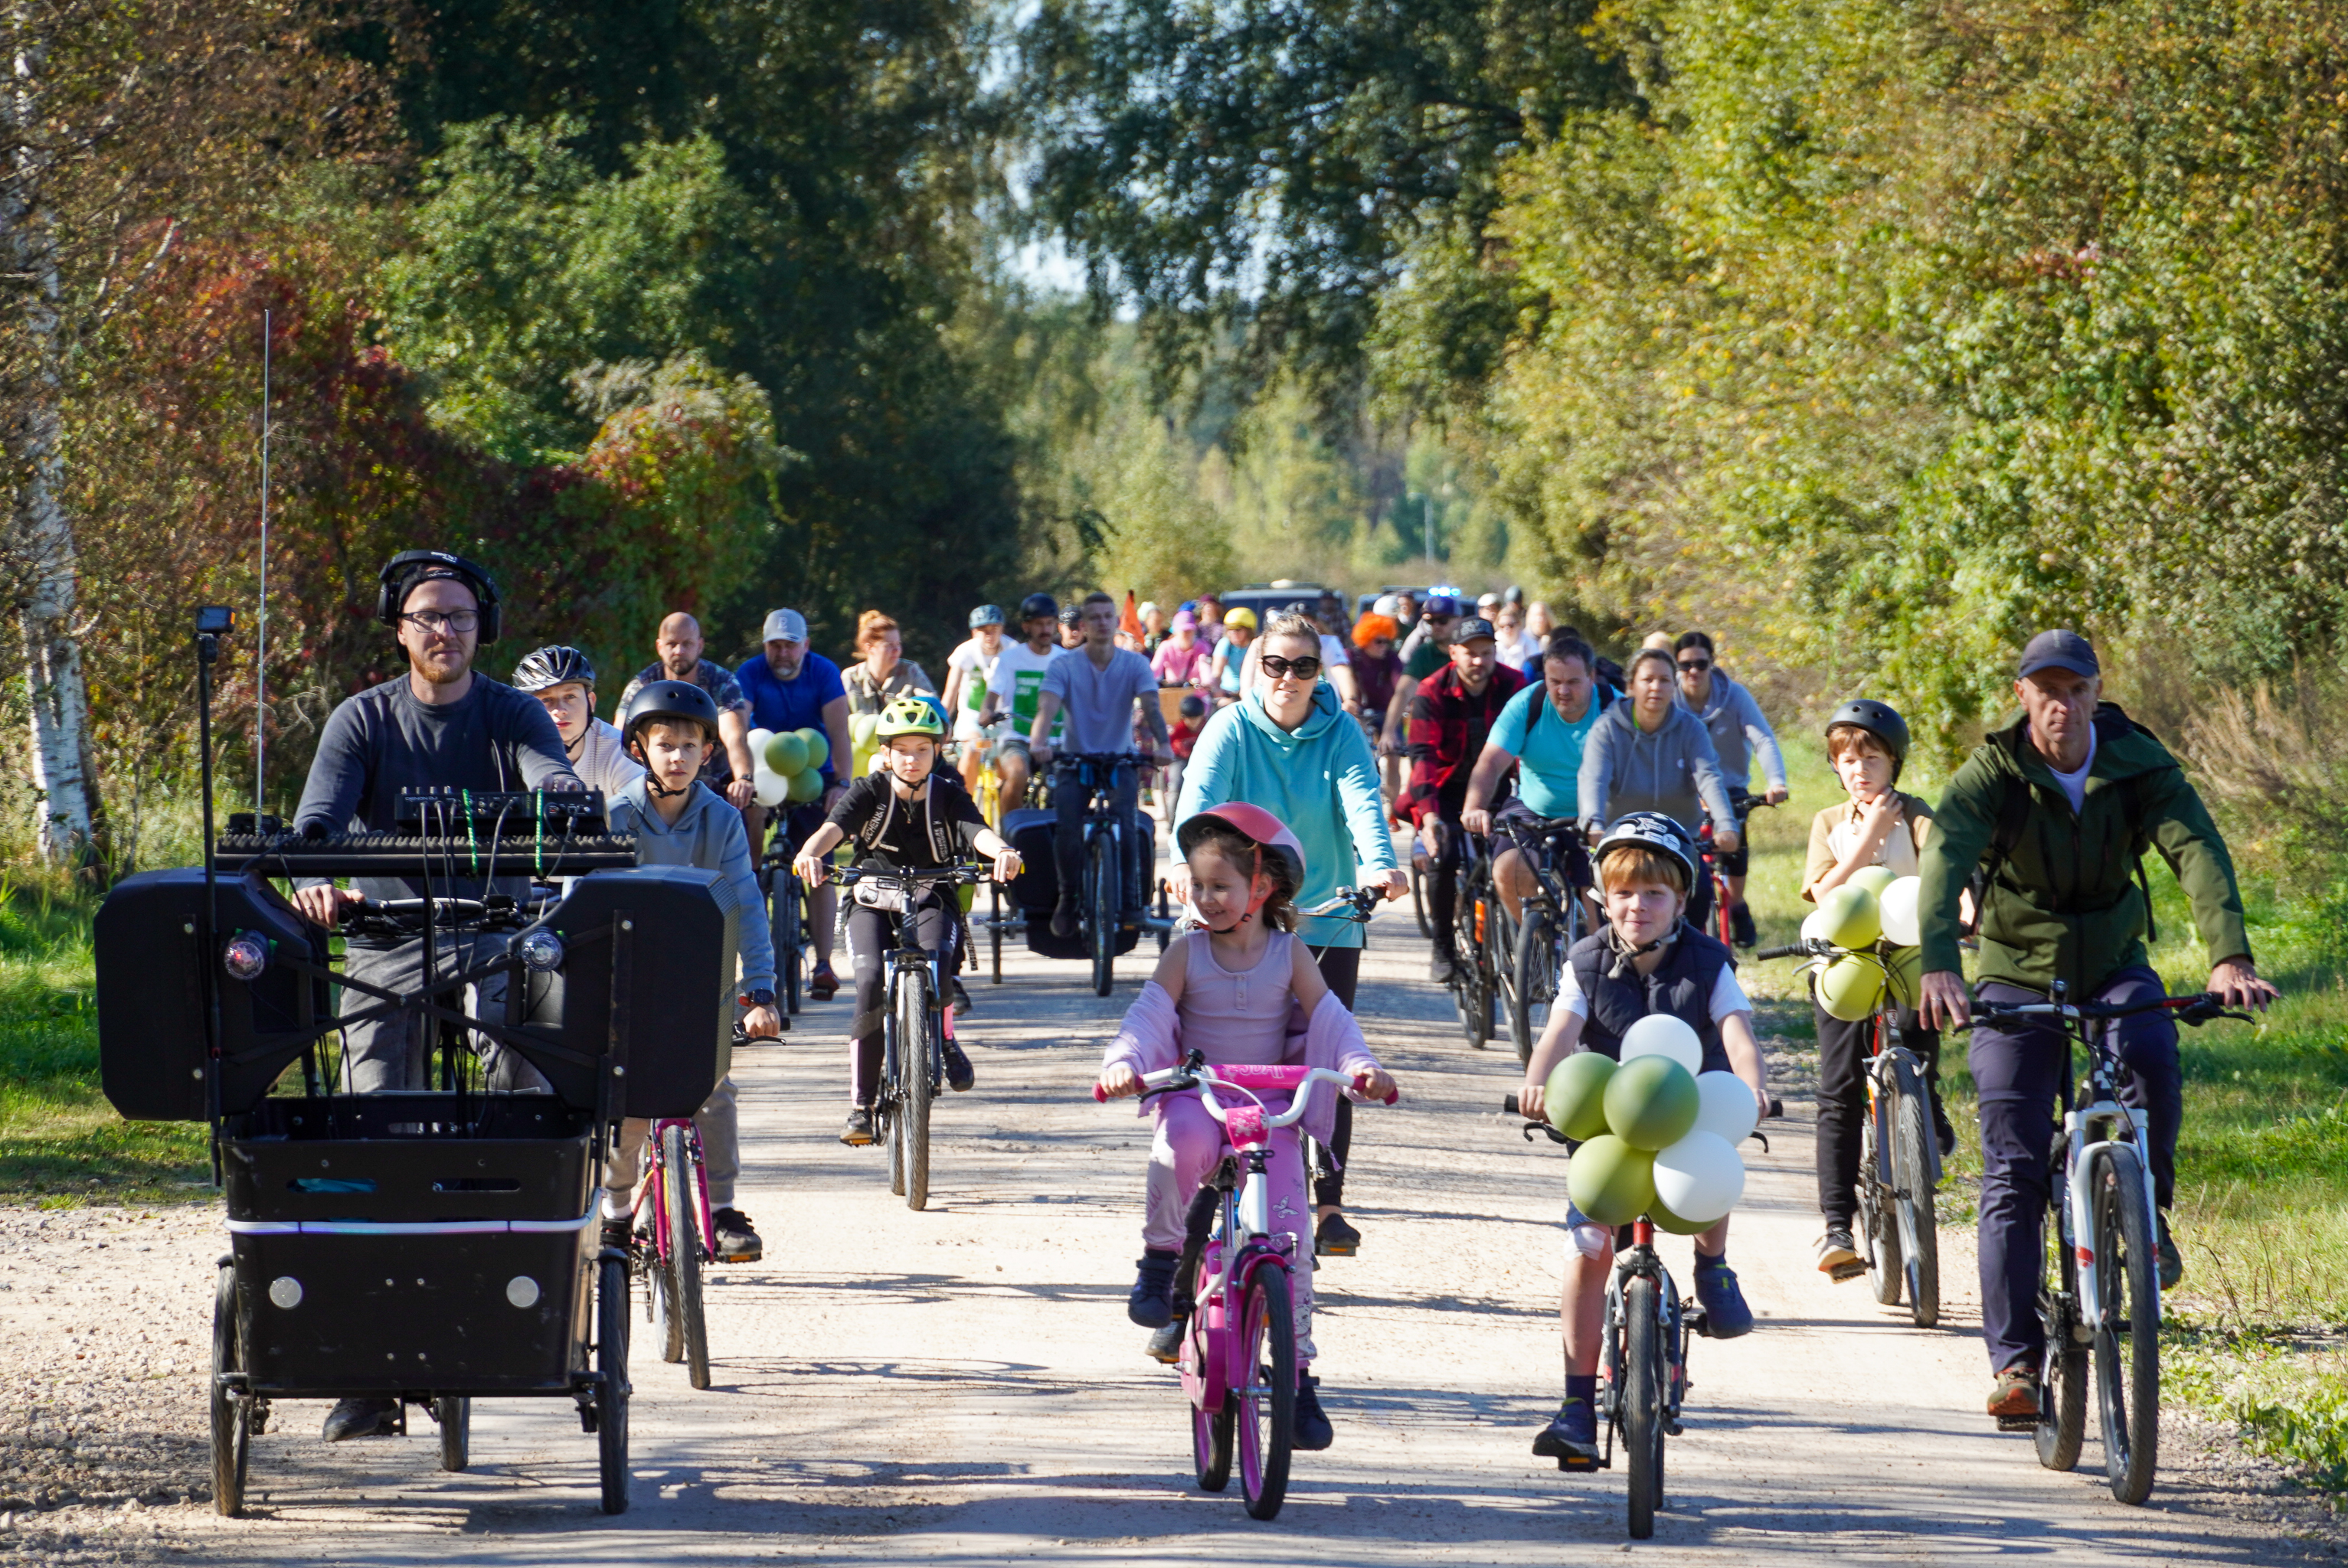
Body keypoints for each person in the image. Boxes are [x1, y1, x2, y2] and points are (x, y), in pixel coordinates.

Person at [1913, 629, 2277, 1422]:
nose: (2060, 703)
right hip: (2015, 968)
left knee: (2151, 1048)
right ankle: (2014, 1363)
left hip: (2113, 956)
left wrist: (2229, 957)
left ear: (2094, 691)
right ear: (2022, 695)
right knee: (2012, 1163)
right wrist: (1940, 961)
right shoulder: (1995, 772)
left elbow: (2198, 851)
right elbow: (1944, 858)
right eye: (2044, 688)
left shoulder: (2138, 763)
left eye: (2074, 688)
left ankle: (2148, 1210)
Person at [289, 550, 583, 1443]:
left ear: (480, 628)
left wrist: (563, 805)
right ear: (401, 628)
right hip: (384, 940)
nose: (443, 631)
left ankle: (510, 1277)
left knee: (536, 1059)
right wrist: (319, 878)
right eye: (427, 616)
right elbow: (317, 826)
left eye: (458, 616)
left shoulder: (512, 712)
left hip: (496, 930)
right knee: (376, 1119)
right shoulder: (361, 719)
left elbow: (556, 787)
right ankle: (374, 1372)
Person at [1098, 805, 1397, 1452]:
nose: (1205, 899)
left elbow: (1332, 1020)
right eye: (1198, 887)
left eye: (1220, 887)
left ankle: (1300, 1378)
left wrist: (1361, 1067)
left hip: (1271, 1112)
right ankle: (1158, 1261)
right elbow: (1148, 1018)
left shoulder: (1292, 955)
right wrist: (1125, 1062)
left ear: (1261, 890)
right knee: (1178, 1146)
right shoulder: (1187, 952)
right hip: (1200, 1094)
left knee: (1291, 1238)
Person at [1518, 814, 1770, 1464]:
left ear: (1682, 900)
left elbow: (1739, 1035)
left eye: (1655, 893)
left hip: (1689, 1110)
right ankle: (1576, 1403)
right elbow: (1559, 1034)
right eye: (1624, 892)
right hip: (1609, 1122)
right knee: (1588, 1245)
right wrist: (1537, 1082)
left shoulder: (1709, 962)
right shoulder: (1586, 962)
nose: (1638, 906)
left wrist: (1754, 1086)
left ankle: (1713, 1269)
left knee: (1711, 1160)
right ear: (1602, 896)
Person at [1174, 611, 1407, 1255]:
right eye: (1276, 664)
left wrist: (1380, 865)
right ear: (1258, 667)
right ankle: (1208, 1200)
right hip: (1238, 911)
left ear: (1318, 673)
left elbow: (1362, 801)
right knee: (1227, 1057)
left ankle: (1328, 1203)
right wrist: (1181, 868)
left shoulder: (1340, 733)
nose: (1289, 678)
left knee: (1330, 1054)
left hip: (1326, 913)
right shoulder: (1229, 728)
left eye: (1304, 666)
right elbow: (1196, 801)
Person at [600, 680, 782, 1266]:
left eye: (689, 746)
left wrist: (759, 990)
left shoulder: (723, 821)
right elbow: (590, 903)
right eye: (664, 744)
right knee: (624, 1104)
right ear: (639, 749)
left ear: (709, 753)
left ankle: (724, 1206)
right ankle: (617, 1214)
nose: (676, 757)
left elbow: (747, 904)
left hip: (697, 972)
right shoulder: (615, 816)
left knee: (713, 1090)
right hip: (625, 975)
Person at [793, 697, 1025, 1144]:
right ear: (885, 752)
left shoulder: (950, 793)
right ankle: (861, 1106)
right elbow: (833, 829)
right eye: (902, 749)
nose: (912, 759)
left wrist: (1004, 853)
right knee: (868, 981)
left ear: (937, 752)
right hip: (872, 895)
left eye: (922, 749)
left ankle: (946, 1037)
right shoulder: (868, 791)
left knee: (938, 961)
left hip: (933, 891)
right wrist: (809, 854)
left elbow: (978, 833)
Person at [1800, 699, 1954, 1280]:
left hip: (1909, 956)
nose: (1859, 768)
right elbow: (1821, 893)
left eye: (1871, 757)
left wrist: (1967, 910)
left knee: (1922, 1038)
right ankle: (1838, 1226)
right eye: (1847, 759)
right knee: (1839, 1086)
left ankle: (1924, 1100)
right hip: (1844, 961)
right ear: (1836, 768)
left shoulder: (1917, 815)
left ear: (1894, 761)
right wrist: (1868, 840)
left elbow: (1943, 868)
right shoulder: (1828, 823)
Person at [1030, 591, 1172, 937]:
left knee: (1127, 822)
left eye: (1109, 616)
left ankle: (1129, 901)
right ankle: (1067, 898)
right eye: (1095, 618)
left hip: (1119, 759)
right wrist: (1038, 742)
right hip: (1074, 759)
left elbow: (1151, 707)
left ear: (1116, 621)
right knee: (1067, 826)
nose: (1103, 623)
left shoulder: (1135, 664)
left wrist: (1164, 744)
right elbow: (1047, 708)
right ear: (1083, 626)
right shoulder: (1063, 664)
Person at [1400, 615, 1528, 983]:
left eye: (1486, 653)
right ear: (1453, 652)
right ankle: (1442, 945)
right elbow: (1421, 757)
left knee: (1518, 855)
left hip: (1499, 791)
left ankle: (1523, 938)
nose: (1479, 662)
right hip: (1444, 791)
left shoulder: (1514, 684)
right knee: (1443, 855)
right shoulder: (1431, 691)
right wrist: (1428, 819)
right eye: (1470, 654)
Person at [1578, 646, 1739, 936]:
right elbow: (1594, 779)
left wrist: (1725, 824)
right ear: (1631, 686)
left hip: (1679, 839)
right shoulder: (1607, 729)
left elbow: (1708, 776)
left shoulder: (1691, 729)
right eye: (1648, 679)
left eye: (1665, 680)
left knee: (1700, 893)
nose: (1656, 687)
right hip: (1623, 840)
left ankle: (1688, 964)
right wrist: (1594, 822)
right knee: (1613, 906)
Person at [736, 608, 854, 999]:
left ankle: (823, 963)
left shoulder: (823, 672)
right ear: (765, 646)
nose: (782, 653)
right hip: (762, 770)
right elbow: (738, 726)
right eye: (775, 646)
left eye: (790, 645)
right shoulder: (751, 672)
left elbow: (839, 732)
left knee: (820, 863)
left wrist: (841, 783)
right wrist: (745, 778)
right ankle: (752, 879)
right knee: (750, 809)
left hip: (811, 774)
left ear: (806, 645)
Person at [1462, 632, 1614, 927]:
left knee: (1601, 894)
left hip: (1596, 815)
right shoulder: (1527, 704)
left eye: (1573, 682)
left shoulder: (1614, 708)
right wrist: (1475, 806)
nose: (1563, 691)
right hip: (1533, 810)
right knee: (1508, 868)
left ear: (1592, 677)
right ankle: (1534, 942)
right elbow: (1491, 762)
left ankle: (1598, 960)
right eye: (1554, 682)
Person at [1673, 632, 1790, 946]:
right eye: (1685, 666)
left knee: (1736, 844)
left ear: (1712, 664)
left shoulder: (1734, 696)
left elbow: (1762, 738)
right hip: (1685, 793)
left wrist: (1776, 782)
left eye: (1700, 664)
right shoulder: (1669, 701)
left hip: (1730, 790)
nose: (1693, 672)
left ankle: (1737, 904)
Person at [616, 612, 757, 810]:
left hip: (713, 787)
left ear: (700, 645)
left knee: (751, 806)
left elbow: (734, 736)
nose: (679, 651)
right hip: (654, 785)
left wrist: (744, 778)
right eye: (672, 644)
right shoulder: (641, 686)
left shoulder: (722, 682)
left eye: (687, 644)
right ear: (659, 647)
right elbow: (619, 739)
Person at [510, 645, 645, 800]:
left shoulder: (618, 749)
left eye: (570, 696)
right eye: (546, 700)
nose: (560, 710)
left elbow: (640, 815)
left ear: (591, 702)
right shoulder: (508, 752)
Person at [979, 593, 1068, 812]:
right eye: (1039, 624)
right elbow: (991, 698)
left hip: (1057, 739)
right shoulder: (1009, 660)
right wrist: (987, 712)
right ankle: (1011, 833)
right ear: (1027, 627)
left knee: (1074, 782)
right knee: (1018, 774)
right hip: (1017, 739)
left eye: (1049, 623)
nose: (1045, 630)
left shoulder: (1065, 660)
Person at [943, 605, 1007, 797]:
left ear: (1002, 629)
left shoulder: (1012, 650)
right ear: (973, 632)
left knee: (1008, 763)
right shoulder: (965, 652)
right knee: (973, 747)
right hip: (971, 716)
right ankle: (964, 803)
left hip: (1003, 716)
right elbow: (951, 692)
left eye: (994, 629)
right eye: (983, 631)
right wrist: (943, 722)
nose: (989, 636)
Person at [1385, 593, 1459, 751]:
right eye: (1430, 621)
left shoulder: (1469, 651)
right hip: (1432, 728)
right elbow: (1404, 691)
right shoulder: (1423, 653)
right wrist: (1389, 731)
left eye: (1443, 620)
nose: (1437, 626)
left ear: (1459, 620)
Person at [1349, 612, 1406, 802]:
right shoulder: (1352, 657)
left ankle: (1395, 810)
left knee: (1393, 757)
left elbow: (1401, 685)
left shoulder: (1391, 658)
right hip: (1360, 712)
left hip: (1387, 712)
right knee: (1361, 758)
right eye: (1378, 641)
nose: (1384, 646)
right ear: (1365, 639)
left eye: (1387, 641)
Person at [842, 609, 937, 715]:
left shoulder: (911, 672)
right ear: (869, 648)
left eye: (898, 644)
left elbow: (933, 707)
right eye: (889, 645)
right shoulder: (851, 678)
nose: (897, 650)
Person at [1161, 691, 1206, 822]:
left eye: (1196, 719)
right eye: (1189, 719)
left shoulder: (1206, 726)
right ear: (1183, 718)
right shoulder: (1178, 729)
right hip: (1178, 759)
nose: (1193, 723)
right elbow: (1167, 744)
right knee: (1176, 787)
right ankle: (1172, 822)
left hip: (1198, 759)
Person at [1204, 606, 1257, 706]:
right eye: (1230, 629)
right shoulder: (1225, 644)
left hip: (1250, 695)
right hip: (1228, 694)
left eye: (1238, 629)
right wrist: (1217, 692)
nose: (1233, 633)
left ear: (1248, 630)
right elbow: (1217, 673)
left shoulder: (1255, 646)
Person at [1150, 609, 1212, 688]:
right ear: (1176, 632)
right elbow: (1155, 669)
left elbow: (1204, 667)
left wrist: (1207, 683)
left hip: (1196, 693)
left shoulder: (1202, 647)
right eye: (1184, 631)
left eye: (1190, 631)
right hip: (1173, 692)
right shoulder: (1166, 646)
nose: (1188, 635)